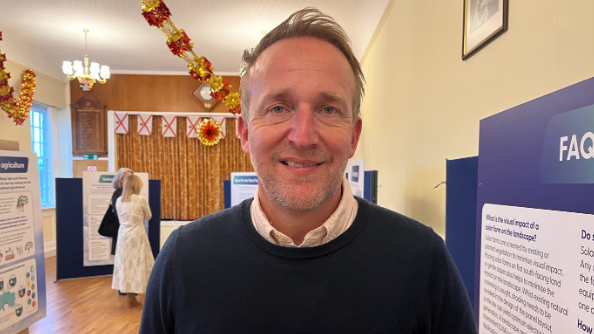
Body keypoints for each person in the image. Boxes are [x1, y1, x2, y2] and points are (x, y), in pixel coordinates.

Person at [140, 8, 477, 333]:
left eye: (328, 109)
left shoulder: (422, 259)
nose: (302, 137)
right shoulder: (183, 260)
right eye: (278, 108)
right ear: (244, 133)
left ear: (353, 136)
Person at [112, 174, 154, 307]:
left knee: (126, 265)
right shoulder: (140, 199)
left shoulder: (119, 200)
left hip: (123, 235)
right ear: (135, 185)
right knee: (140, 263)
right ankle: (144, 295)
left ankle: (130, 297)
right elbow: (149, 216)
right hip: (137, 235)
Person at [109, 168, 133, 256]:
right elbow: (116, 212)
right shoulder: (118, 193)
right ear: (121, 180)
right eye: (128, 178)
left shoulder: (131, 193)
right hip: (122, 229)